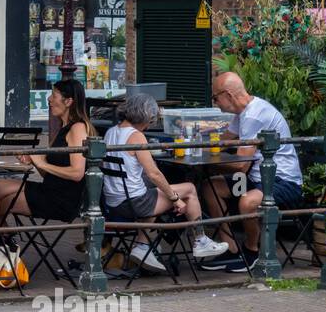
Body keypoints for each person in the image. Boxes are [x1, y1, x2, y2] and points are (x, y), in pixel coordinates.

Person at [0, 80, 93, 265]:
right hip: (50, 189)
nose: (49, 99)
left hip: (61, 199)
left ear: (68, 101)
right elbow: (50, 174)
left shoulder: (78, 128)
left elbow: (77, 173)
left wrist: (42, 162)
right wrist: (34, 162)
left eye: (54, 96)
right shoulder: (63, 129)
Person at [101, 93, 229, 272]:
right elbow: (154, 173)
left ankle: (142, 246)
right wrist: (175, 198)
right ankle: (200, 241)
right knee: (190, 189)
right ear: (145, 115)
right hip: (134, 203)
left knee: (155, 191)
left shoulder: (111, 132)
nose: (150, 124)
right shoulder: (136, 136)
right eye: (151, 119)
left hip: (114, 202)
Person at [201, 71, 305, 272]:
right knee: (211, 186)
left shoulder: (254, 116)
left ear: (228, 95)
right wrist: (198, 147)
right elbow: (226, 140)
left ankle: (252, 252)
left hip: (281, 182)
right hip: (256, 178)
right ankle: (230, 247)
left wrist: (208, 161)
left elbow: (241, 165)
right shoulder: (243, 112)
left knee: (247, 201)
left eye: (216, 98)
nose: (215, 103)